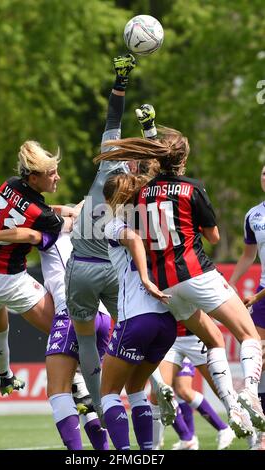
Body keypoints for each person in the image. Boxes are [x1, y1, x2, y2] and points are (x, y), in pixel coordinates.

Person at [94, 123, 265, 439]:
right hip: (195, 272)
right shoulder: (192, 187)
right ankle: (248, 396)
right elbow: (213, 237)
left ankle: (232, 406)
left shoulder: (141, 192)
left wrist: (149, 134)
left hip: (167, 286)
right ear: (183, 160)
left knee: (213, 338)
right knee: (249, 336)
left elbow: (144, 196)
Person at [0, 223, 110, 450]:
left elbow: (31, 231)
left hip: (70, 314)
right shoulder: (89, 234)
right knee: (87, 389)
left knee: (58, 390)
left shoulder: (49, 229)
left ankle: (5, 376)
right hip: (100, 314)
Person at [65, 53, 136, 416]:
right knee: (130, 333)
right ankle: (147, 389)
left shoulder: (110, 161)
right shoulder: (141, 187)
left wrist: (120, 81)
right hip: (115, 270)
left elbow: (113, 117)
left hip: (82, 266)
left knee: (86, 337)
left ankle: (100, 402)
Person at [0, 142, 63, 395]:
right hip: (9, 281)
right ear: (33, 177)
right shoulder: (45, 217)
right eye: (51, 173)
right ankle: (78, 387)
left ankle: (5, 377)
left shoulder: (9, 185)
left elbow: (27, 211)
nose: (57, 177)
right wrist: (70, 217)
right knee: (64, 331)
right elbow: (32, 231)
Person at [99, 173, 177, 450]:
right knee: (136, 390)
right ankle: (148, 451)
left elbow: (131, 238)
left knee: (108, 393)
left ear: (110, 201)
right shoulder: (155, 225)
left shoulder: (112, 226)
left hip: (136, 317)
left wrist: (144, 279)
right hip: (167, 321)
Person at [150, 321, 235, 450]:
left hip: (191, 337)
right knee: (166, 392)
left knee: (183, 390)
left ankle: (223, 428)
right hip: (169, 338)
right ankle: (187, 438)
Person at [229, 166, 265, 450]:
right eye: (263, 173)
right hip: (263, 298)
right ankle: (260, 433)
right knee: (258, 361)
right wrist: (229, 285)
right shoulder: (253, 215)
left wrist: (257, 296)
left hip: (261, 296)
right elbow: (248, 255)